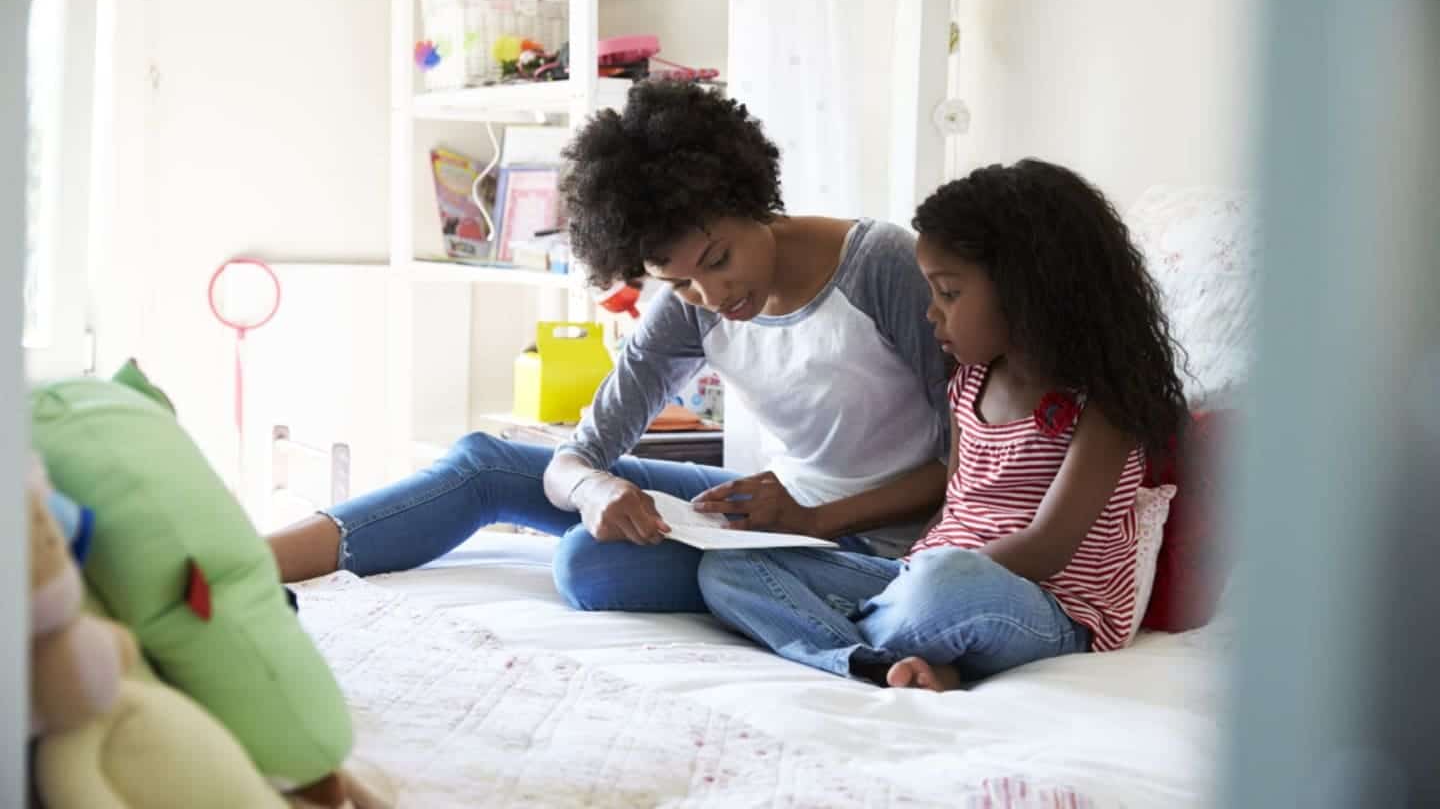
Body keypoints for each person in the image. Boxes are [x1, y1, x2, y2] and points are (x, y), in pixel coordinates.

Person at [267, 81, 951, 613]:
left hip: (881, 537)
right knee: (487, 465)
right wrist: (595, 488)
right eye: (678, 281)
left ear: (753, 199)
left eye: (719, 258)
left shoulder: (880, 266)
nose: (711, 296)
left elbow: (972, 464)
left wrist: (814, 520)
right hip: (779, 508)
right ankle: (247, 564)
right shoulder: (689, 304)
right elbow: (575, 456)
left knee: (592, 568)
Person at [697, 160, 1188, 688]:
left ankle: (862, 631)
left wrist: (919, 580)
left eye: (948, 293)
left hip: (1049, 608)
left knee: (945, 583)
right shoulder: (969, 382)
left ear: (1028, 291)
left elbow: (1049, 547)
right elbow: (955, 503)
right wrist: (905, 575)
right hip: (927, 582)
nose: (931, 313)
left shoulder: (1103, 406)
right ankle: (870, 661)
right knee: (728, 567)